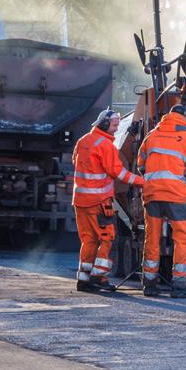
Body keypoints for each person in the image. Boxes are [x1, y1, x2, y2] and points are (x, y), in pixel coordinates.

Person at [72, 108, 144, 292]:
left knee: (88, 240)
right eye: (114, 126)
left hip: (80, 200)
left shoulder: (83, 141)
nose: (116, 129)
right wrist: (142, 181)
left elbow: (76, 162)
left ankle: (83, 279)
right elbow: (118, 173)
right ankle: (99, 277)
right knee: (107, 238)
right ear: (104, 124)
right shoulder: (106, 145)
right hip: (99, 201)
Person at [137, 104, 186, 298]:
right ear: (184, 117)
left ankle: (150, 285)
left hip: (152, 195)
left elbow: (140, 166)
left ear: (167, 116)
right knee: (181, 239)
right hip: (175, 196)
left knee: (152, 239)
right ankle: (179, 286)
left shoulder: (151, 136)